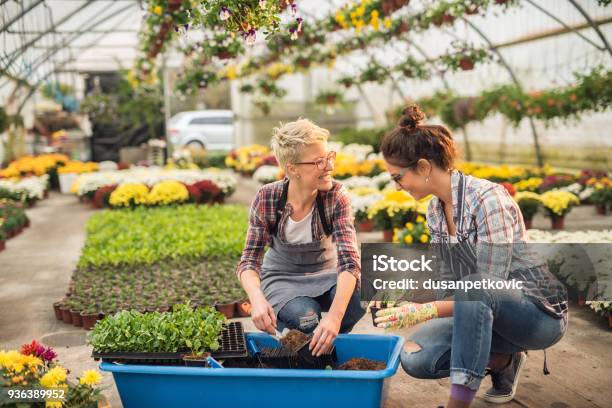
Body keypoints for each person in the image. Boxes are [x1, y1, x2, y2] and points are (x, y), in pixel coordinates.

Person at [374, 105, 568, 407]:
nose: (398, 186)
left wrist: (425, 311)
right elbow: (447, 283)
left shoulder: (487, 200)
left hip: (535, 315)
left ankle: (458, 403)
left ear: (424, 167)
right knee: (416, 357)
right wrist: (401, 296)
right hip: (481, 313)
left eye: (398, 177)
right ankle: (504, 360)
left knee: (475, 286)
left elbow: (486, 287)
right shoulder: (436, 210)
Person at [236, 118, 365, 357]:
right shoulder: (268, 198)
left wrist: (335, 319)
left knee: (357, 299)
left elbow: (349, 261)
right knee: (305, 319)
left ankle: (329, 345)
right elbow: (249, 262)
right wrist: (257, 299)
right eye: (318, 161)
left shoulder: (336, 196)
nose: (329, 166)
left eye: (329, 157)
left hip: (327, 273)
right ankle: (313, 351)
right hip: (283, 278)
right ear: (292, 168)